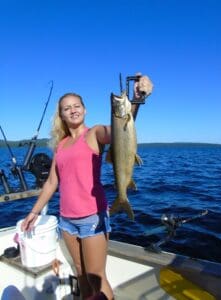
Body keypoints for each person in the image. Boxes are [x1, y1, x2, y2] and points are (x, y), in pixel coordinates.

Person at [21, 73, 153, 300]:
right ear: (61, 115)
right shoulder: (60, 145)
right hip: (66, 220)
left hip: (92, 217)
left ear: (85, 109)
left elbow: (119, 131)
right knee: (81, 274)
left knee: (96, 277)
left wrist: (136, 100)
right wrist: (34, 212)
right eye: (66, 108)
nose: (72, 110)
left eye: (77, 105)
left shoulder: (94, 134)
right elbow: (52, 182)